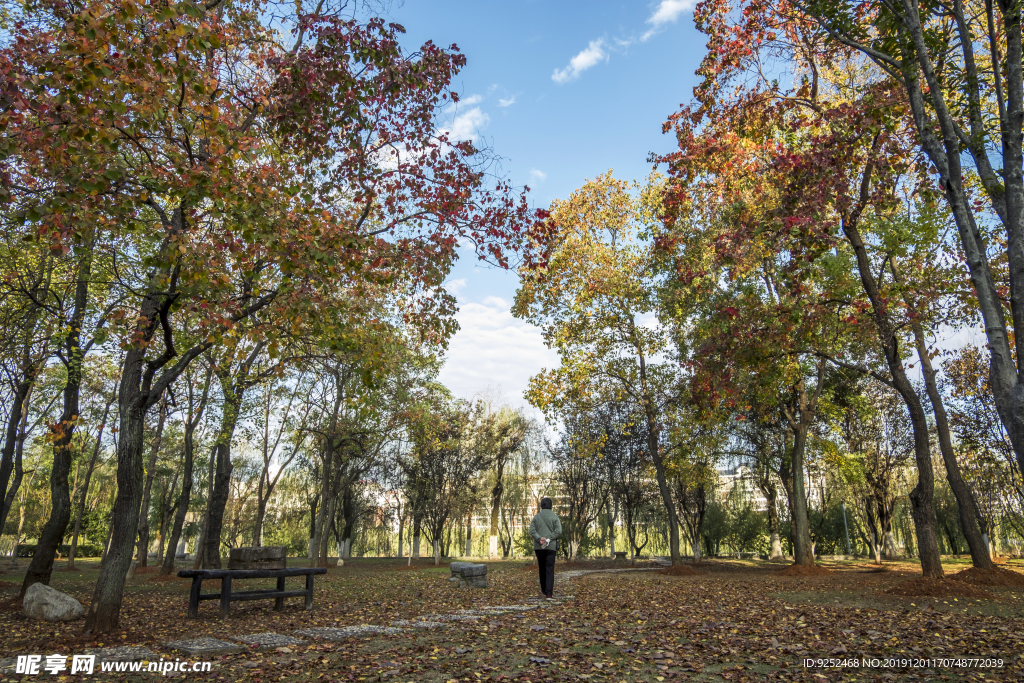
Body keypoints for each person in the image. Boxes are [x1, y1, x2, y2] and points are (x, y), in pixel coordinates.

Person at [529, 497, 562, 599]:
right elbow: (558, 531)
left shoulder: (536, 517)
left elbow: (531, 531)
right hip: (551, 547)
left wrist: (539, 539)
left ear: (541, 506)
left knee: (542, 568)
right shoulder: (555, 517)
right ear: (551, 505)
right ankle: (549, 593)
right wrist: (549, 539)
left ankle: (543, 589)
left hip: (539, 547)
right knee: (549, 569)